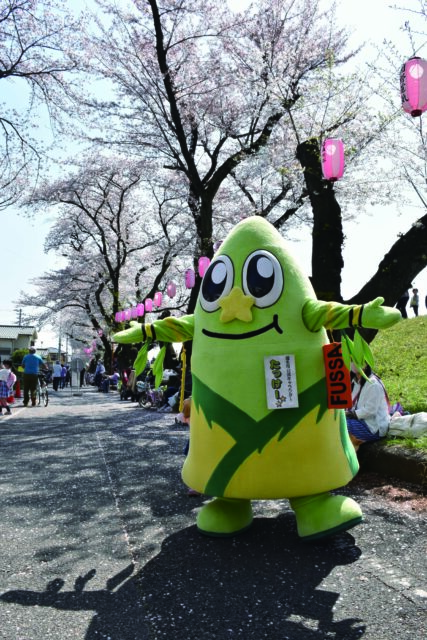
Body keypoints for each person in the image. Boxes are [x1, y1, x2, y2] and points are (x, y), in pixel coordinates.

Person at [346, 364, 391, 450]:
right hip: (360, 421)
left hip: (373, 427)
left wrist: (350, 414)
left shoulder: (373, 384)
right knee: (338, 423)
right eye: (351, 360)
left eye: (356, 361)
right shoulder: (355, 382)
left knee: (342, 426)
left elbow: (370, 410)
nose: (353, 364)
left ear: (365, 365)